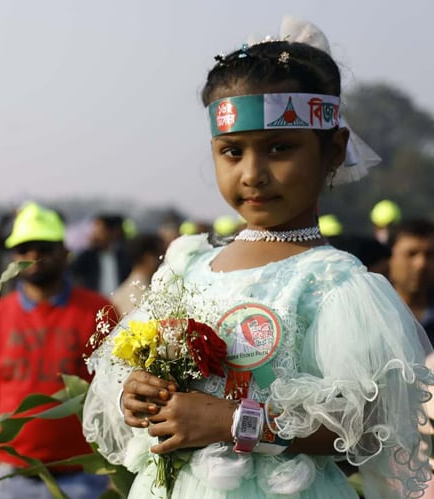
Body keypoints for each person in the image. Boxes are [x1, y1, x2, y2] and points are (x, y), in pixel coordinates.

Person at [82, 17, 434, 499]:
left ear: (333, 151)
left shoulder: (335, 284)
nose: (253, 174)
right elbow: (132, 373)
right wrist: (138, 393)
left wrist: (232, 421)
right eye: (232, 152)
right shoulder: (188, 264)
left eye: (280, 148)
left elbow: (366, 426)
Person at [0, 202, 111, 499]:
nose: (33, 257)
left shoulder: (96, 311)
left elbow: (114, 391)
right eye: (24, 249)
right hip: (12, 474)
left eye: (43, 247)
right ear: (12, 257)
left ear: (64, 253)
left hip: (80, 473)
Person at [387, 218, 434, 342]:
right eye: (411, 254)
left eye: (429, 255)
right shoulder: (374, 315)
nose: (421, 264)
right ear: (390, 260)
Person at [70, 214, 132, 296]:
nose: (95, 235)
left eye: (100, 232)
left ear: (111, 232)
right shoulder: (87, 257)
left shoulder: (124, 256)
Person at [110, 233, 165, 316]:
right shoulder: (145, 295)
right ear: (148, 258)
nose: (163, 261)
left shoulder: (118, 293)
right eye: (161, 256)